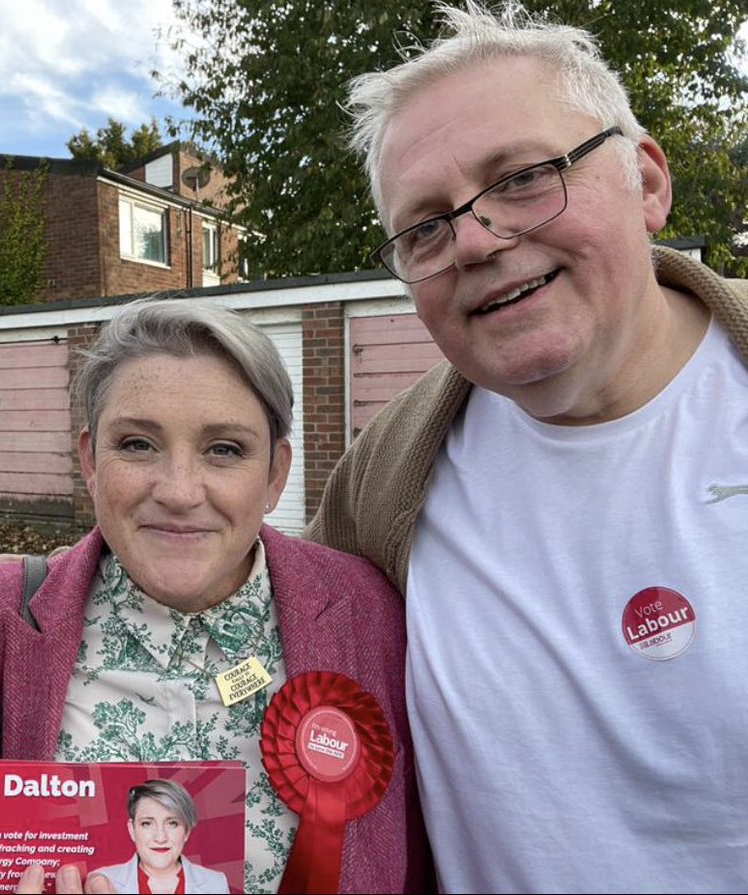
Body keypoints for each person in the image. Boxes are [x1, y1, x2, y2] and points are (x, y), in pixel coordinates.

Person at [305, 1, 748, 891]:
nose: (473, 239)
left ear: (649, 181)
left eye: (521, 178)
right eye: (424, 226)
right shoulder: (386, 476)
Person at [0, 298, 429, 894]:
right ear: (91, 461)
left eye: (224, 449)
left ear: (275, 475)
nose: (179, 491)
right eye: (138, 444)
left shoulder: (369, 614)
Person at [89, 780, 230, 895]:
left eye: (173, 823)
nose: (161, 837)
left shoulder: (216, 883)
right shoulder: (104, 881)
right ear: (132, 830)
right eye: (147, 823)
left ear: (186, 831)